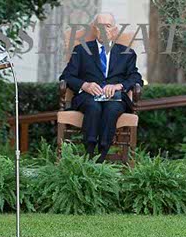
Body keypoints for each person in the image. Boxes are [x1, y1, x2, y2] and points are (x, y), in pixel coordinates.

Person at [59, 13, 142, 162]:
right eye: (100, 26)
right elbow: (67, 76)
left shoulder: (127, 53)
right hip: (88, 97)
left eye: (108, 26)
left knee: (112, 108)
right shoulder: (81, 50)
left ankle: (101, 155)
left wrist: (119, 86)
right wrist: (85, 85)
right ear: (94, 29)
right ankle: (89, 152)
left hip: (115, 98)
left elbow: (136, 78)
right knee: (93, 106)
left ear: (115, 30)